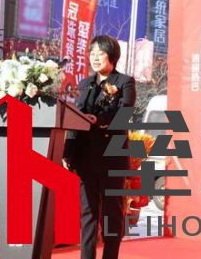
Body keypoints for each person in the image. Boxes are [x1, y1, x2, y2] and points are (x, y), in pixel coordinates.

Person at [64, 35, 136, 259]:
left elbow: (124, 115)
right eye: (92, 53)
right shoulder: (84, 84)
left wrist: (100, 120)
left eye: (100, 53)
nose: (94, 58)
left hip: (112, 157)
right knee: (88, 214)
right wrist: (68, 152)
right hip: (86, 157)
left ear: (112, 56)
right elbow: (74, 119)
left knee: (112, 214)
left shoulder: (125, 82)